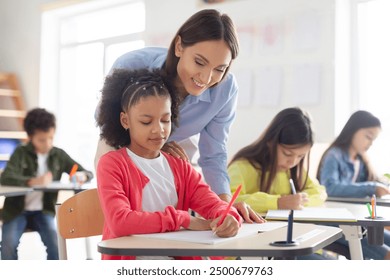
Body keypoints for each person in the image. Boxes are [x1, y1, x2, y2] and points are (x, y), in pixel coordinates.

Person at [94, 9, 260, 222]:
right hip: (122, 137)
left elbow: (214, 153)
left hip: (179, 141)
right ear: (180, 46)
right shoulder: (132, 64)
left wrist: (224, 206)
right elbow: (105, 120)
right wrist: (152, 143)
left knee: (178, 203)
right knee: (129, 216)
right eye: (200, 62)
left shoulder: (225, 89)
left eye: (220, 69)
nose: (206, 78)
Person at [96, 68, 243, 260]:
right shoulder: (112, 164)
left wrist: (228, 216)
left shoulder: (180, 167)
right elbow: (120, 222)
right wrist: (182, 220)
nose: (159, 130)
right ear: (125, 120)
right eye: (146, 122)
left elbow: (213, 203)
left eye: (165, 120)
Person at [227, 107, 329, 260]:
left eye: (300, 157)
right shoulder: (242, 166)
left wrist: (299, 201)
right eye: (288, 154)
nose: (293, 162)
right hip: (252, 247)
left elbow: (320, 192)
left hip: (290, 240)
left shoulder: (293, 171)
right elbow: (230, 201)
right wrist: (278, 202)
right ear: (270, 142)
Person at [0, 108, 93, 260]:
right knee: (8, 246)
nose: (48, 143)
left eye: (51, 138)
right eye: (42, 140)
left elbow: (87, 173)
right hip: (17, 211)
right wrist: (32, 181)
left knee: (56, 244)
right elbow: (6, 178)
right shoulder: (20, 152)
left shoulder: (58, 155)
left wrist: (81, 175)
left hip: (44, 212)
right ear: (31, 137)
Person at [317, 110, 390, 259]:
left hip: (356, 219)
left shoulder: (360, 160)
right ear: (353, 130)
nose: (370, 143)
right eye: (368, 137)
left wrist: (380, 186)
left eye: (373, 140)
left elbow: (375, 181)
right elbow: (329, 188)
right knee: (383, 251)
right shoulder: (334, 155)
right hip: (337, 221)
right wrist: (372, 187)